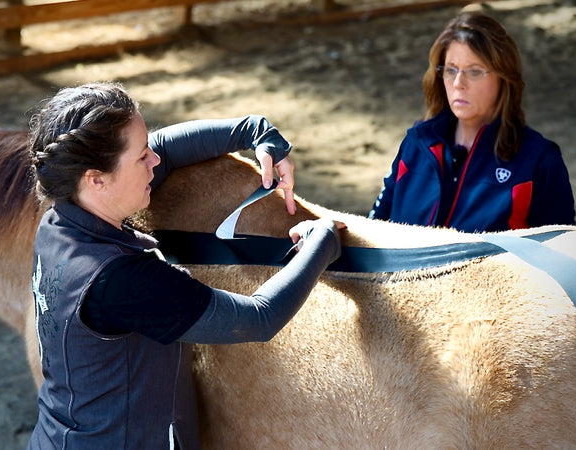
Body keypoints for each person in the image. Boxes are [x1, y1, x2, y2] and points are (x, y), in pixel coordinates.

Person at [26, 82, 342, 449]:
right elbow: (258, 318)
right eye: (141, 157)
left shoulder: (60, 218)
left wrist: (253, 131)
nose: (155, 161)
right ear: (96, 179)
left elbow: (166, 148)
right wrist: (322, 242)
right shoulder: (121, 281)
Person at [369, 11, 575, 232]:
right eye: (451, 70)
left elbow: (560, 255)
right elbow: (374, 229)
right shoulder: (416, 143)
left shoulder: (539, 162)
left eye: (474, 72)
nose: (459, 83)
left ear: (503, 79)